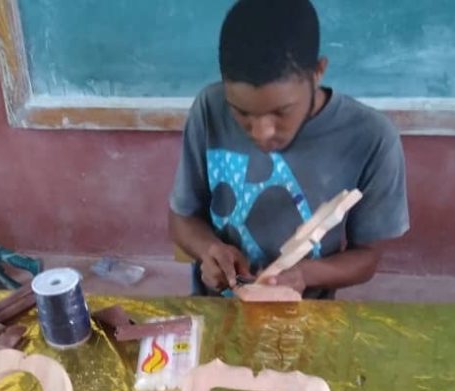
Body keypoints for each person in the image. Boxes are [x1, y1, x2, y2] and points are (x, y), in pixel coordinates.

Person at [168, 0, 410, 298]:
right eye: (241, 113)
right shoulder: (209, 109)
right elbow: (182, 217)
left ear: (318, 72)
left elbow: (367, 257)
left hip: (305, 316)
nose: (261, 133)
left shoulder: (371, 137)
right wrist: (209, 249)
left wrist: (305, 275)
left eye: (281, 112)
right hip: (218, 311)